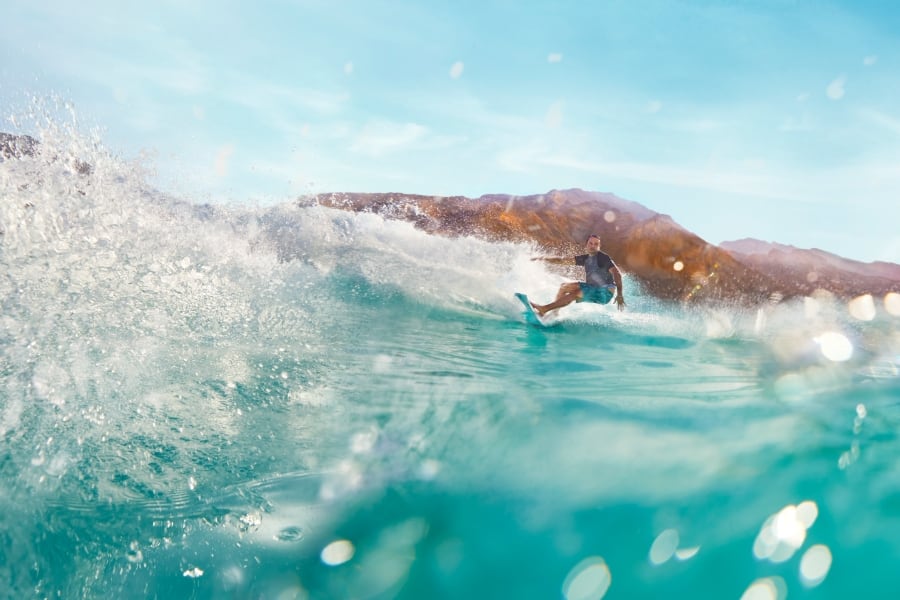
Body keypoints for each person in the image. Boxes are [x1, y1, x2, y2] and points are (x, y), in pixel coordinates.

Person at [530, 234, 626, 316]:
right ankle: (555, 312)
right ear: (586, 244)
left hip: (605, 292)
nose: (593, 246)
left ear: (599, 246)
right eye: (590, 243)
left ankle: (544, 309)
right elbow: (563, 261)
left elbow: (617, 274)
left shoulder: (603, 258)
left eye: (596, 244)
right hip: (593, 287)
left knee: (576, 293)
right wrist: (543, 258)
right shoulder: (585, 258)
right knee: (564, 287)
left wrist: (620, 295)